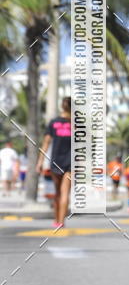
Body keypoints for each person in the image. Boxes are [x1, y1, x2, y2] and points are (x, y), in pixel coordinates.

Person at [36, 97, 72, 229]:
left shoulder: (54, 123)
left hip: (56, 161)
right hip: (71, 163)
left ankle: (57, 220)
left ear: (62, 107)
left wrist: (39, 162)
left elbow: (45, 143)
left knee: (57, 193)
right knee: (65, 192)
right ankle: (61, 222)